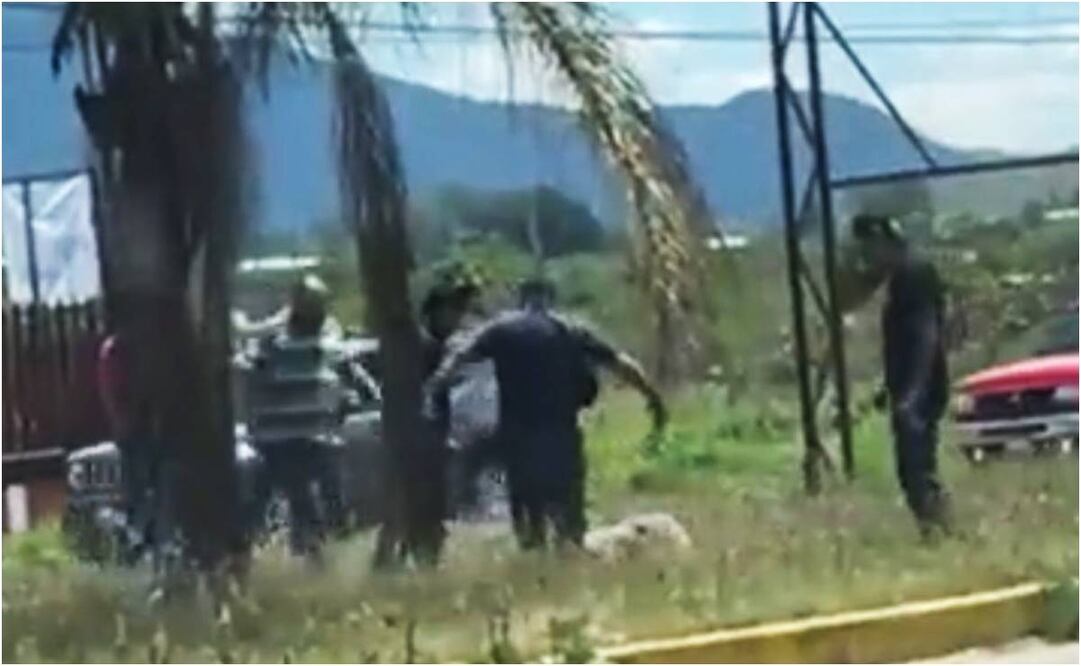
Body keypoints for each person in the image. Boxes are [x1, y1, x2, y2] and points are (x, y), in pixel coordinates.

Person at [428, 277, 667, 550]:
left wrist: (434, 391)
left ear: (521, 299)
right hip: (561, 437)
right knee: (570, 523)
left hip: (518, 440)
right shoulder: (571, 329)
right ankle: (568, 559)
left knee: (529, 523)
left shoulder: (500, 329)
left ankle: (535, 562)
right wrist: (652, 397)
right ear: (550, 299)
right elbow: (620, 363)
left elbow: (458, 359)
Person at [245, 274, 362, 559]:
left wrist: (347, 399)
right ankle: (309, 552)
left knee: (325, 499)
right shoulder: (272, 344)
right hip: (282, 439)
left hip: (310, 436)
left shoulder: (327, 342)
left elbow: (349, 380)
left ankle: (320, 549)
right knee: (301, 501)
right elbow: (249, 372)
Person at [852, 214, 951, 538]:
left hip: (920, 388)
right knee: (913, 466)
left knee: (916, 466)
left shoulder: (914, 274)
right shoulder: (902, 277)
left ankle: (938, 530)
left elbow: (925, 336)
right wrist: (890, 385)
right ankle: (935, 529)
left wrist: (911, 393)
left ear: (884, 241)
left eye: (870, 246)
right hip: (912, 385)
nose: (867, 255)